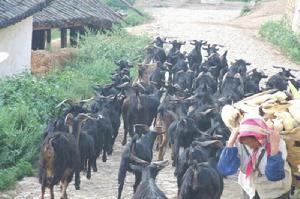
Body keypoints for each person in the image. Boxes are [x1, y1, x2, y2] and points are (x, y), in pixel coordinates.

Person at [217, 115, 292, 199]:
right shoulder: (239, 142)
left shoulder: (276, 141)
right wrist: (230, 143)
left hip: (276, 191)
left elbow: (274, 175)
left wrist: (274, 147)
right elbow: (225, 169)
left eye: (252, 142)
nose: (250, 146)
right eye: (246, 144)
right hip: (251, 189)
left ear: (260, 136)